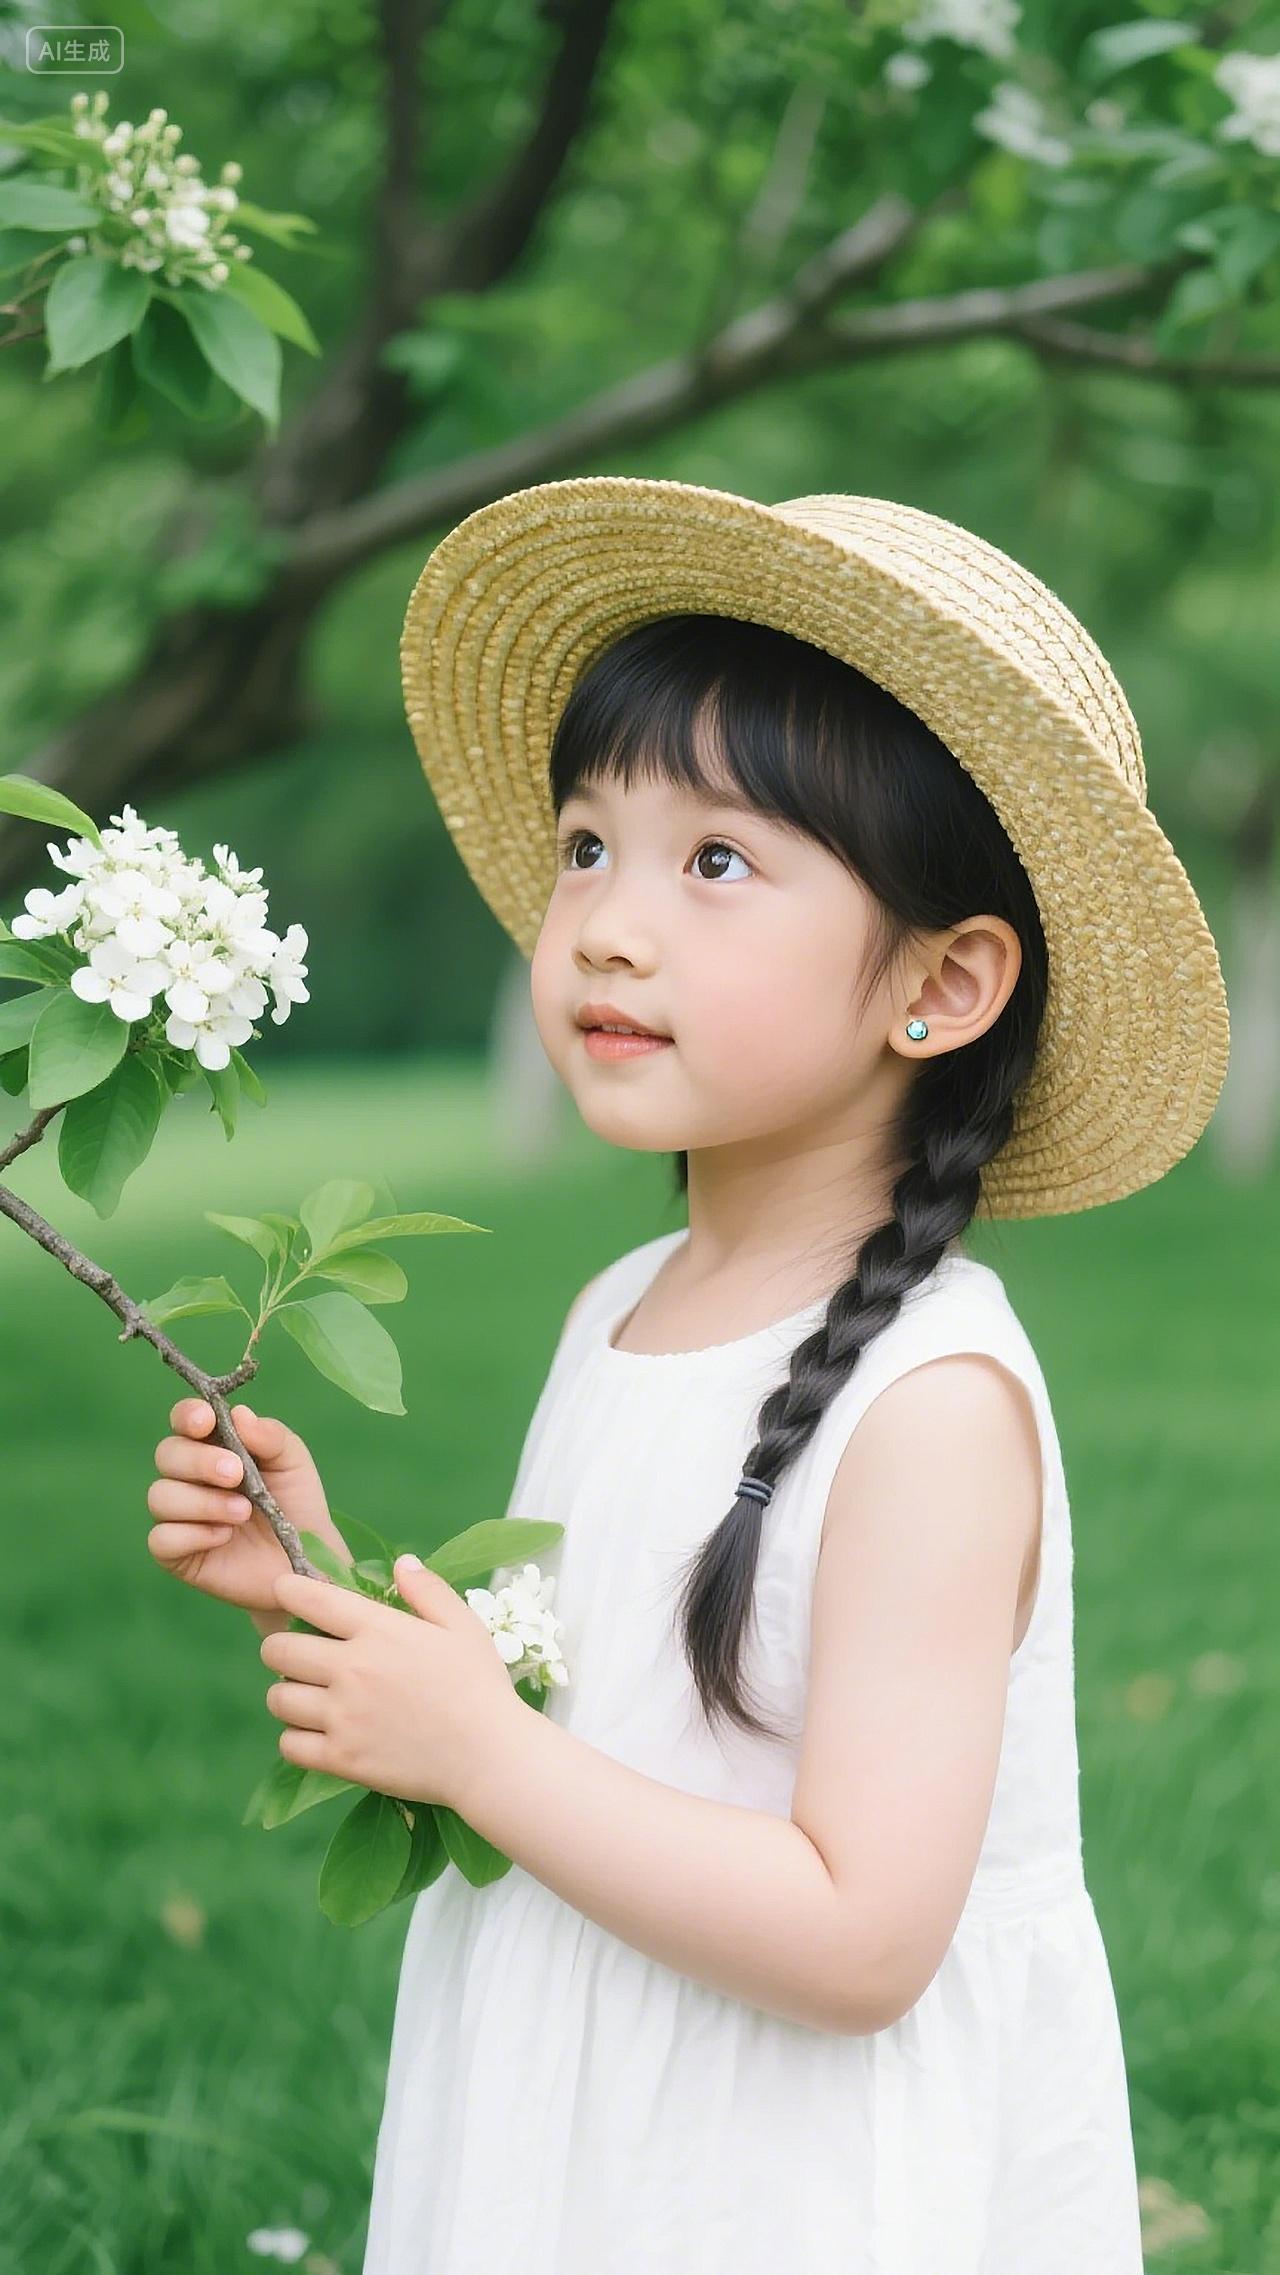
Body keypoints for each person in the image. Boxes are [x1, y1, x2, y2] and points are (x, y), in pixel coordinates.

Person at [148, 479, 1230, 2274]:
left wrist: (481, 1758)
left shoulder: (932, 1409)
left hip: (791, 2178)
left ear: (942, 986)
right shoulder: (623, 1302)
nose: (609, 924)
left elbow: (862, 1937)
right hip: (589, 2100)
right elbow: (595, 1707)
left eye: (715, 861)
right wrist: (325, 1584)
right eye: (589, 846)